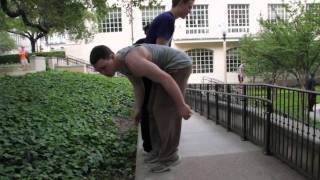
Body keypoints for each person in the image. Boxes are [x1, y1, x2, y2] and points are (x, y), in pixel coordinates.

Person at [90, 43, 192, 173]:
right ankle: (158, 152)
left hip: (179, 66)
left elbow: (166, 79)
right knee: (150, 110)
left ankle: (170, 157)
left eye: (104, 67)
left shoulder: (132, 60)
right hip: (166, 69)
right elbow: (138, 86)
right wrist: (138, 108)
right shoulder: (121, 64)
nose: (103, 73)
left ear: (112, 56)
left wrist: (181, 105)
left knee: (163, 111)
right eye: (99, 71)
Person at [139, 0, 195, 154]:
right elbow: (161, 50)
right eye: (189, 7)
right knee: (164, 110)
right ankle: (165, 153)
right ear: (182, 3)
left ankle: (155, 150)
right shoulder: (167, 19)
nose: (189, 11)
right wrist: (166, 79)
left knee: (152, 109)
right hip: (156, 69)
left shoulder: (166, 19)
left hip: (151, 69)